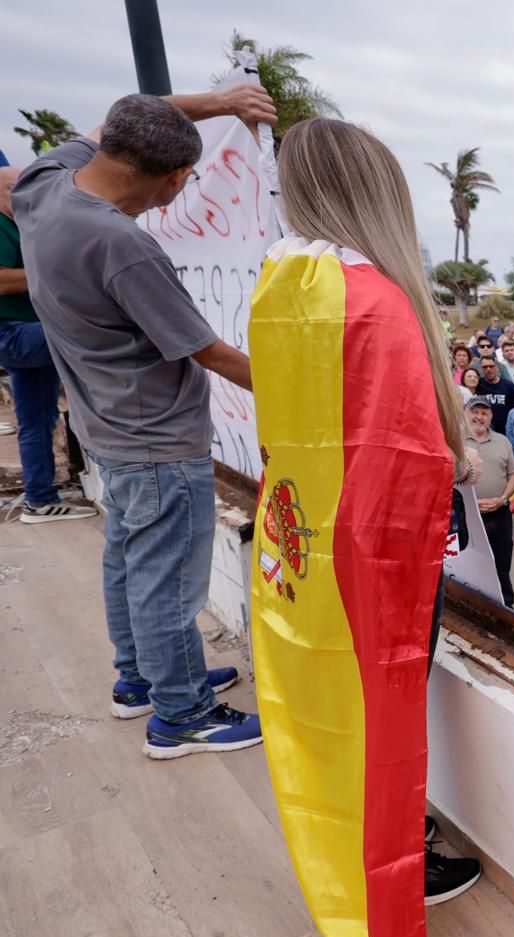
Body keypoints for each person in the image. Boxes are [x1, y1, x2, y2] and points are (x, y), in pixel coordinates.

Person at [253, 116, 482, 900]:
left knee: (336, 703)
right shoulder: (377, 302)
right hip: (380, 554)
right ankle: (396, 856)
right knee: (385, 707)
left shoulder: (286, 285)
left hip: (309, 541)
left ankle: (355, 837)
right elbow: (410, 457)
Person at [14, 90, 273, 753]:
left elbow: (130, 109)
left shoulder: (45, 183)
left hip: (107, 428)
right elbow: (207, 350)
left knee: (131, 560)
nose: (182, 191)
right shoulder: (118, 243)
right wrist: (308, 388)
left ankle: (142, 678)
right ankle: (181, 715)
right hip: (156, 439)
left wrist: (224, 102)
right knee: (168, 584)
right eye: (182, 179)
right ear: (165, 177)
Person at [0, 166, 96, 522]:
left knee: (37, 419)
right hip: (13, 334)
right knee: (97, 337)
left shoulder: (21, 222)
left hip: (24, 332)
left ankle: (39, 500)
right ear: (9, 189)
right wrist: (52, 272)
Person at [464, 397, 514, 608]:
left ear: (491, 417)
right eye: (475, 412)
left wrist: (502, 499)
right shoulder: (455, 440)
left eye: (484, 413)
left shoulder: (502, 441)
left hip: (499, 513)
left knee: (502, 561)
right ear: (466, 414)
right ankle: (473, 605)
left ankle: (506, 606)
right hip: (467, 514)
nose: (479, 417)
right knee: (470, 561)